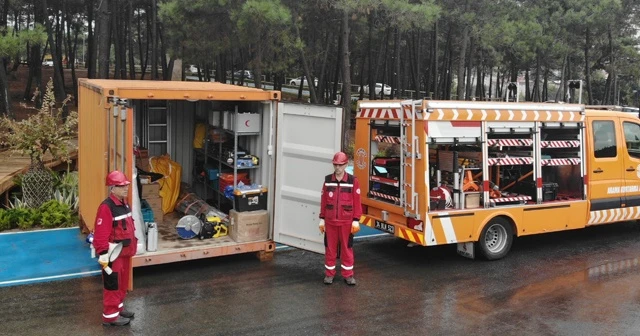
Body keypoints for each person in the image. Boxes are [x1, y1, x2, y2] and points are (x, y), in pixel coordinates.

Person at [93, 170, 138, 326]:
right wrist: (103, 255)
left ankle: (118, 308)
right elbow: (100, 234)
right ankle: (110, 317)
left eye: (126, 185)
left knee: (122, 284)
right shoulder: (106, 207)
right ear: (112, 188)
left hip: (124, 253)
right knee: (112, 285)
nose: (126, 188)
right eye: (121, 186)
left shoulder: (124, 204)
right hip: (113, 255)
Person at [319, 151, 362, 286]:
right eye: (335, 165)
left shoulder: (352, 181)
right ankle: (329, 275)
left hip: (346, 223)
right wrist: (322, 218)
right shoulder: (327, 181)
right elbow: (324, 201)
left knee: (346, 249)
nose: (337, 168)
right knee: (330, 249)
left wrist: (356, 220)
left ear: (346, 164)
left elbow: (357, 202)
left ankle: (348, 275)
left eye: (340, 165)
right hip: (331, 222)